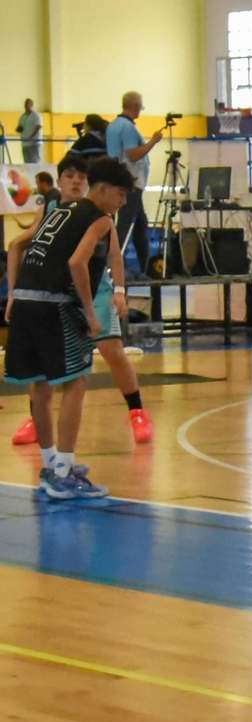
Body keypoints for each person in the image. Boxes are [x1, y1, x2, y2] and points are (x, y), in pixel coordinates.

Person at [3, 157, 135, 498]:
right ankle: (63, 472)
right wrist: (91, 314)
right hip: (55, 305)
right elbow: (77, 261)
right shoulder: (100, 218)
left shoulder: (57, 210)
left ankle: (51, 466)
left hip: (25, 302)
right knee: (75, 384)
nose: (123, 202)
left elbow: (16, 244)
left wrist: (12, 294)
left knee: (41, 387)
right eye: (121, 195)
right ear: (103, 189)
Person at [106, 93, 165, 277]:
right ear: (136, 106)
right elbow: (133, 155)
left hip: (122, 179)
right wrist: (153, 142)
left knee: (140, 224)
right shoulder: (129, 128)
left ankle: (145, 266)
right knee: (124, 224)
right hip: (131, 181)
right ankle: (114, 267)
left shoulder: (113, 126)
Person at [17, 99, 43, 164]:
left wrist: (32, 137)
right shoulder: (22, 117)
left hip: (34, 143)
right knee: (27, 162)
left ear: (31, 105)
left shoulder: (36, 116)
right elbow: (20, 127)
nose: (26, 105)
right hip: (25, 143)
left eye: (28, 104)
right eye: (25, 104)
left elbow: (38, 127)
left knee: (35, 161)